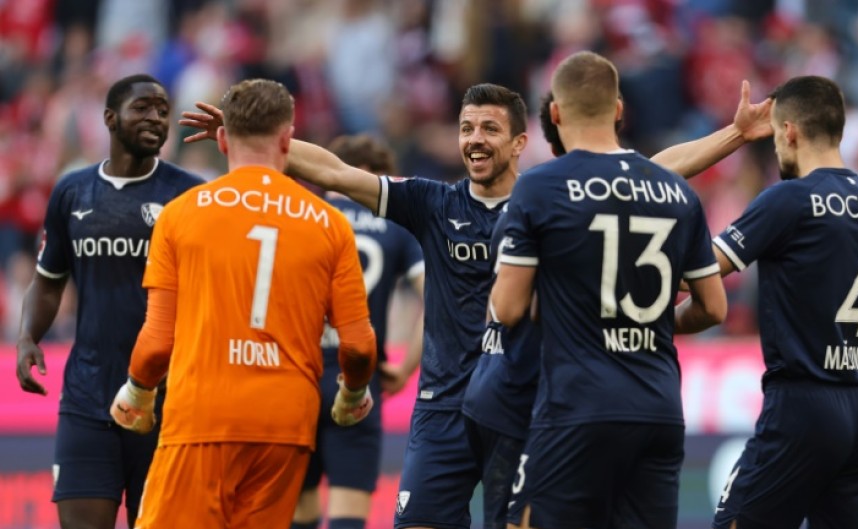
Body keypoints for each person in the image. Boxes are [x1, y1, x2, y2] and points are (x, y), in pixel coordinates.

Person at [180, 75, 770, 529]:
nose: (473, 140)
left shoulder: (552, 196)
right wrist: (253, 140)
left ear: (518, 142)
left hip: (524, 406)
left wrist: (735, 136)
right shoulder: (434, 203)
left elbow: (653, 170)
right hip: (441, 408)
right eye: (465, 128)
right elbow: (338, 174)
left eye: (488, 129)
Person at [107, 78, 377, 528]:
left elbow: (157, 341)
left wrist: (138, 392)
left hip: (203, 414)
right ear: (288, 139)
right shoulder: (330, 224)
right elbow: (359, 346)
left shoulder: (180, 215)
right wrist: (352, 394)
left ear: (222, 138)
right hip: (285, 422)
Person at [490, 51, 729, 529]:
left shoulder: (539, 187)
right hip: (659, 408)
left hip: (577, 407)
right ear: (619, 109)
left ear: (554, 114)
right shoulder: (677, 192)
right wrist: (659, 323)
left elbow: (508, 307)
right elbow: (714, 308)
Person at [709, 76, 858, 529]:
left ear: (789, 131)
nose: (775, 151)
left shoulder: (788, 200)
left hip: (801, 404)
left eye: (774, 138)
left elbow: (701, 271)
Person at [14, 73, 204, 529]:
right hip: (87, 398)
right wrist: (26, 337)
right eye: (143, 108)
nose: (156, 118)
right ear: (110, 119)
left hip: (167, 403)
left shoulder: (191, 195)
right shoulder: (72, 191)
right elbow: (47, 280)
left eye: (163, 110)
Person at [292, 134, 425, 529]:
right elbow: (435, 300)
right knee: (349, 516)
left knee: (300, 511)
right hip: (358, 380)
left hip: (299, 375)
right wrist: (405, 369)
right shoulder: (393, 226)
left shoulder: (304, 215)